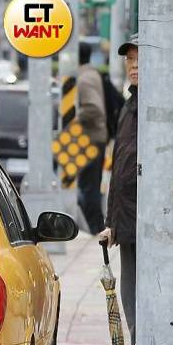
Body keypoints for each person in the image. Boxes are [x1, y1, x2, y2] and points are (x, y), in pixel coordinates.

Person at [99, 34, 173, 345]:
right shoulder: (129, 106)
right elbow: (119, 170)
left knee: (164, 303)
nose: (133, 66)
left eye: (141, 59)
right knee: (133, 303)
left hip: (164, 228)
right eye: (130, 59)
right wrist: (111, 223)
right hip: (130, 226)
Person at [76, 42, 108, 234]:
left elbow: (94, 108)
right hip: (96, 138)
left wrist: (73, 117)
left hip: (91, 139)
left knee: (88, 187)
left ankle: (94, 227)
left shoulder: (84, 79)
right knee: (91, 185)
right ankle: (94, 225)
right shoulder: (91, 74)